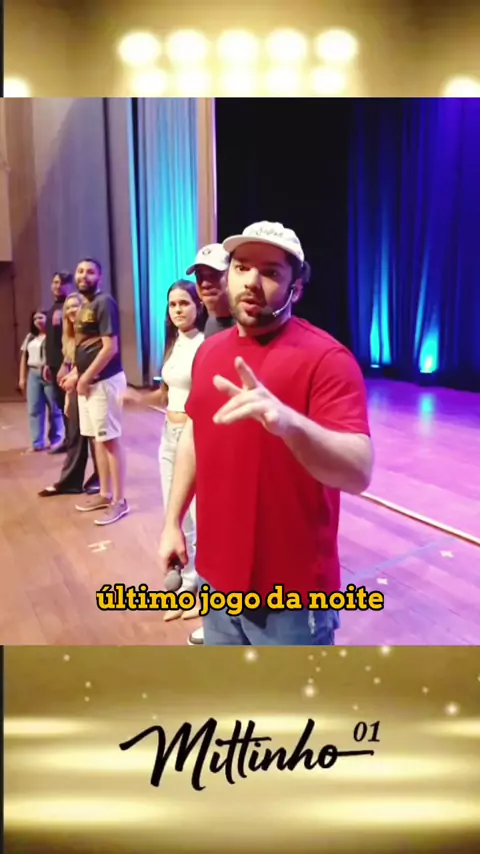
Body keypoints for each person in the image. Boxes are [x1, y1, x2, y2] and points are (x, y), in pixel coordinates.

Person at [158, 221, 373, 646]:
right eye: (242, 267)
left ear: (296, 287)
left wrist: (289, 422)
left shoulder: (327, 359)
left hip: (293, 593)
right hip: (217, 581)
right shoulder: (209, 352)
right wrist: (172, 522)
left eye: (271, 272)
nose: (252, 282)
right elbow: (195, 437)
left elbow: (359, 472)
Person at [126, 280, 205, 618]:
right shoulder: (174, 343)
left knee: (200, 515)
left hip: (194, 437)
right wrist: (137, 398)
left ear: (198, 306)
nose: (177, 310)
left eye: (184, 303)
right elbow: (166, 395)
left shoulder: (205, 344)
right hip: (168, 436)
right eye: (172, 304)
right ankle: (187, 583)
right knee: (177, 514)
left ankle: (207, 590)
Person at [61, 258, 128, 525]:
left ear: (99, 277)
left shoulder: (104, 302)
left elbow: (109, 347)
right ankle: (104, 493)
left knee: (110, 440)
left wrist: (85, 377)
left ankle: (120, 501)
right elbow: (85, 348)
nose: (84, 276)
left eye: (90, 272)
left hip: (104, 382)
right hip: (88, 382)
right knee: (97, 440)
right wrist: (76, 374)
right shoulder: (84, 306)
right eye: (80, 271)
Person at [38, 293, 99, 497]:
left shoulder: (92, 332)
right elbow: (70, 360)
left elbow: (95, 360)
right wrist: (65, 371)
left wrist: (75, 376)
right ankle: (71, 481)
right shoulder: (70, 335)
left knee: (96, 437)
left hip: (94, 386)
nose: (72, 310)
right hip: (76, 388)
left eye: (76, 306)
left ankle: (101, 479)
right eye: (69, 307)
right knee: (75, 434)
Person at [19, 310, 65, 453]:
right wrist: (22, 377)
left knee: (54, 408)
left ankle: (56, 439)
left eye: (41, 317)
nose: (38, 321)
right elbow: (24, 357)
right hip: (33, 373)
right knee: (34, 408)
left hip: (49, 373)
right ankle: (37, 442)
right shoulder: (30, 337)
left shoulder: (53, 336)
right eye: (35, 319)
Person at [44, 271, 72, 453]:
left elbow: (71, 339)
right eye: (55, 282)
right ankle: (68, 440)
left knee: (69, 405)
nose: (57, 286)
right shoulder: (53, 308)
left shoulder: (70, 307)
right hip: (54, 363)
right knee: (61, 404)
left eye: (61, 283)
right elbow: (51, 340)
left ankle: (74, 442)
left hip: (66, 365)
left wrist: (66, 363)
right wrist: (48, 363)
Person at [186, 244, 233, 337]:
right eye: (199, 276)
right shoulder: (210, 324)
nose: (205, 284)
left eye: (213, 275)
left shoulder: (248, 325)